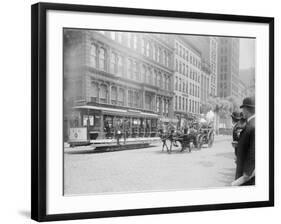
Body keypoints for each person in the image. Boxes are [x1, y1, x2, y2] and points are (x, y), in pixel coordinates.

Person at [231, 97, 255, 186]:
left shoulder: (252, 125)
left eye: (243, 109)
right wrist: (239, 145)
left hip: (246, 177)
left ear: (246, 109)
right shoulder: (251, 123)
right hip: (245, 171)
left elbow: (254, 152)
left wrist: (245, 176)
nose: (242, 112)